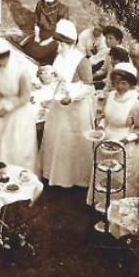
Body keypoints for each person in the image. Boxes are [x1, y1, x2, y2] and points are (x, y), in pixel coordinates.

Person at [40, 20, 95, 188]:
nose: (59, 47)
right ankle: (53, 174)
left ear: (70, 43)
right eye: (58, 43)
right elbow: (58, 77)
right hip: (59, 105)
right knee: (55, 138)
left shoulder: (82, 62)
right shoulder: (60, 56)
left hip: (75, 110)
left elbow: (89, 87)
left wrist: (71, 97)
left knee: (69, 142)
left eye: (62, 44)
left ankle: (72, 179)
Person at [88, 62, 139, 206]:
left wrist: (126, 139)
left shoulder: (136, 104)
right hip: (106, 141)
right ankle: (101, 203)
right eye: (116, 82)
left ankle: (119, 206)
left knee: (120, 177)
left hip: (125, 145)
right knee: (103, 173)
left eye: (124, 83)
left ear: (132, 84)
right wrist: (101, 128)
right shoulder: (109, 96)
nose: (119, 86)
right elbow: (103, 117)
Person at [0, 37, 38, 173]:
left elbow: (25, 97)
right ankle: (0, 174)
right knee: (1, 146)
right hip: (2, 112)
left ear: (5, 56)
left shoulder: (21, 71)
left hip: (19, 113)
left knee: (17, 147)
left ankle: (21, 178)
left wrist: (8, 108)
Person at [19, 0, 69, 65]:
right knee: (29, 49)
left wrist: (49, 41)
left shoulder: (63, 9)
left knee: (43, 55)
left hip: (55, 36)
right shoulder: (40, 4)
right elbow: (37, 22)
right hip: (42, 33)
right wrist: (37, 36)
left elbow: (62, 30)